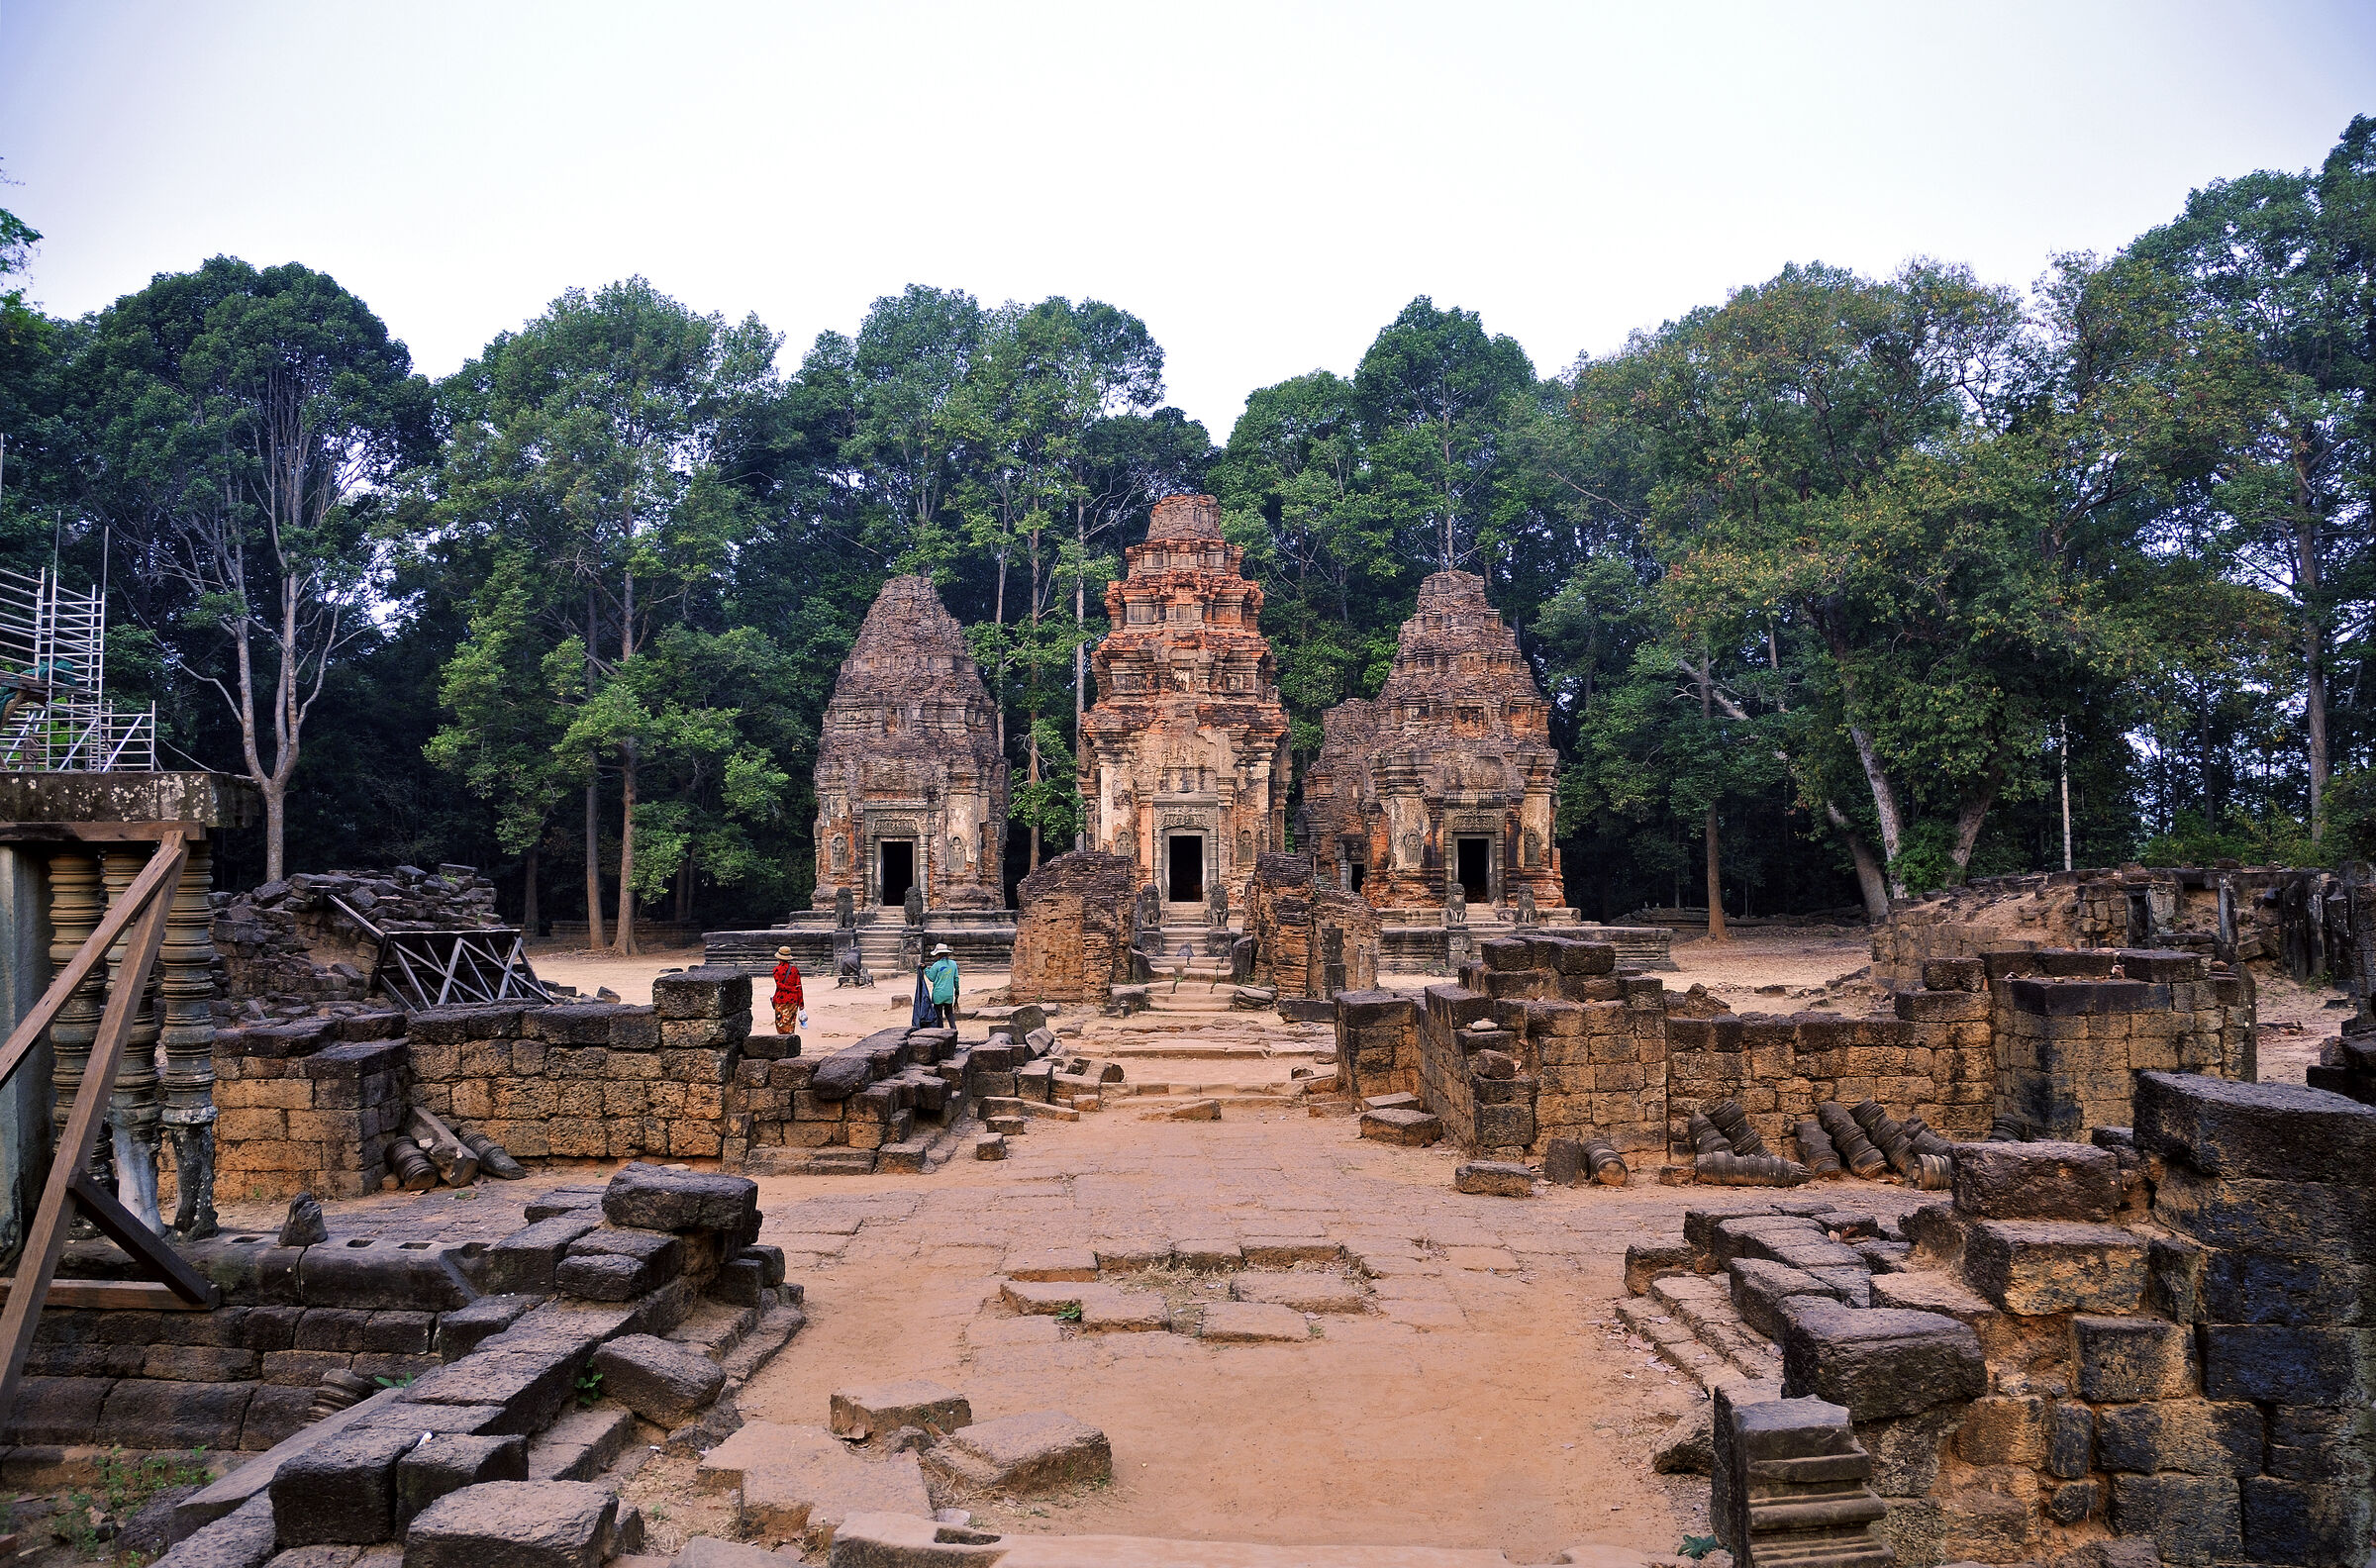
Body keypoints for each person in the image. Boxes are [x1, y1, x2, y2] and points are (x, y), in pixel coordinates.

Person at [924, 942, 960, 1028]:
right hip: (949, 994)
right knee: (949, 1014)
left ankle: (941, 1033)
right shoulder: (953, 964)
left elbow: (931, 978)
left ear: (938, 955)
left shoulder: (936, 965)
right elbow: (956, 979)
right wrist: (957, 992)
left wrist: (925, 969)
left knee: (939, 1016)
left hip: (938, 994)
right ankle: (954, 1030)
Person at [770, 946, 805, 1036]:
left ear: (778, 958)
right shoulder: (794, 970)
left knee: (780, 1024)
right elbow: (799, 988)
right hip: (793, 999)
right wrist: (801, 1004)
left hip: (780, 999)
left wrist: (791, 989)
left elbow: (779, 986)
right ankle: (790, 1042)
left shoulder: (776, 970)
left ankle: (783, 1043)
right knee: (790, 1024)